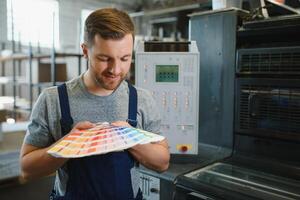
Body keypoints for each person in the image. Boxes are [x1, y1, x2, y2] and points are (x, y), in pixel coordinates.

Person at [20, 8, 170, 200]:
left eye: (125, 58)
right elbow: (27, 169)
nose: (115, 69)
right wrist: (69, 145)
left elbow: (163, 162)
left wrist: (129, 139)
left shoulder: (142, 99)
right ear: (85, 51)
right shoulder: (53, 100)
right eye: (104, 58)